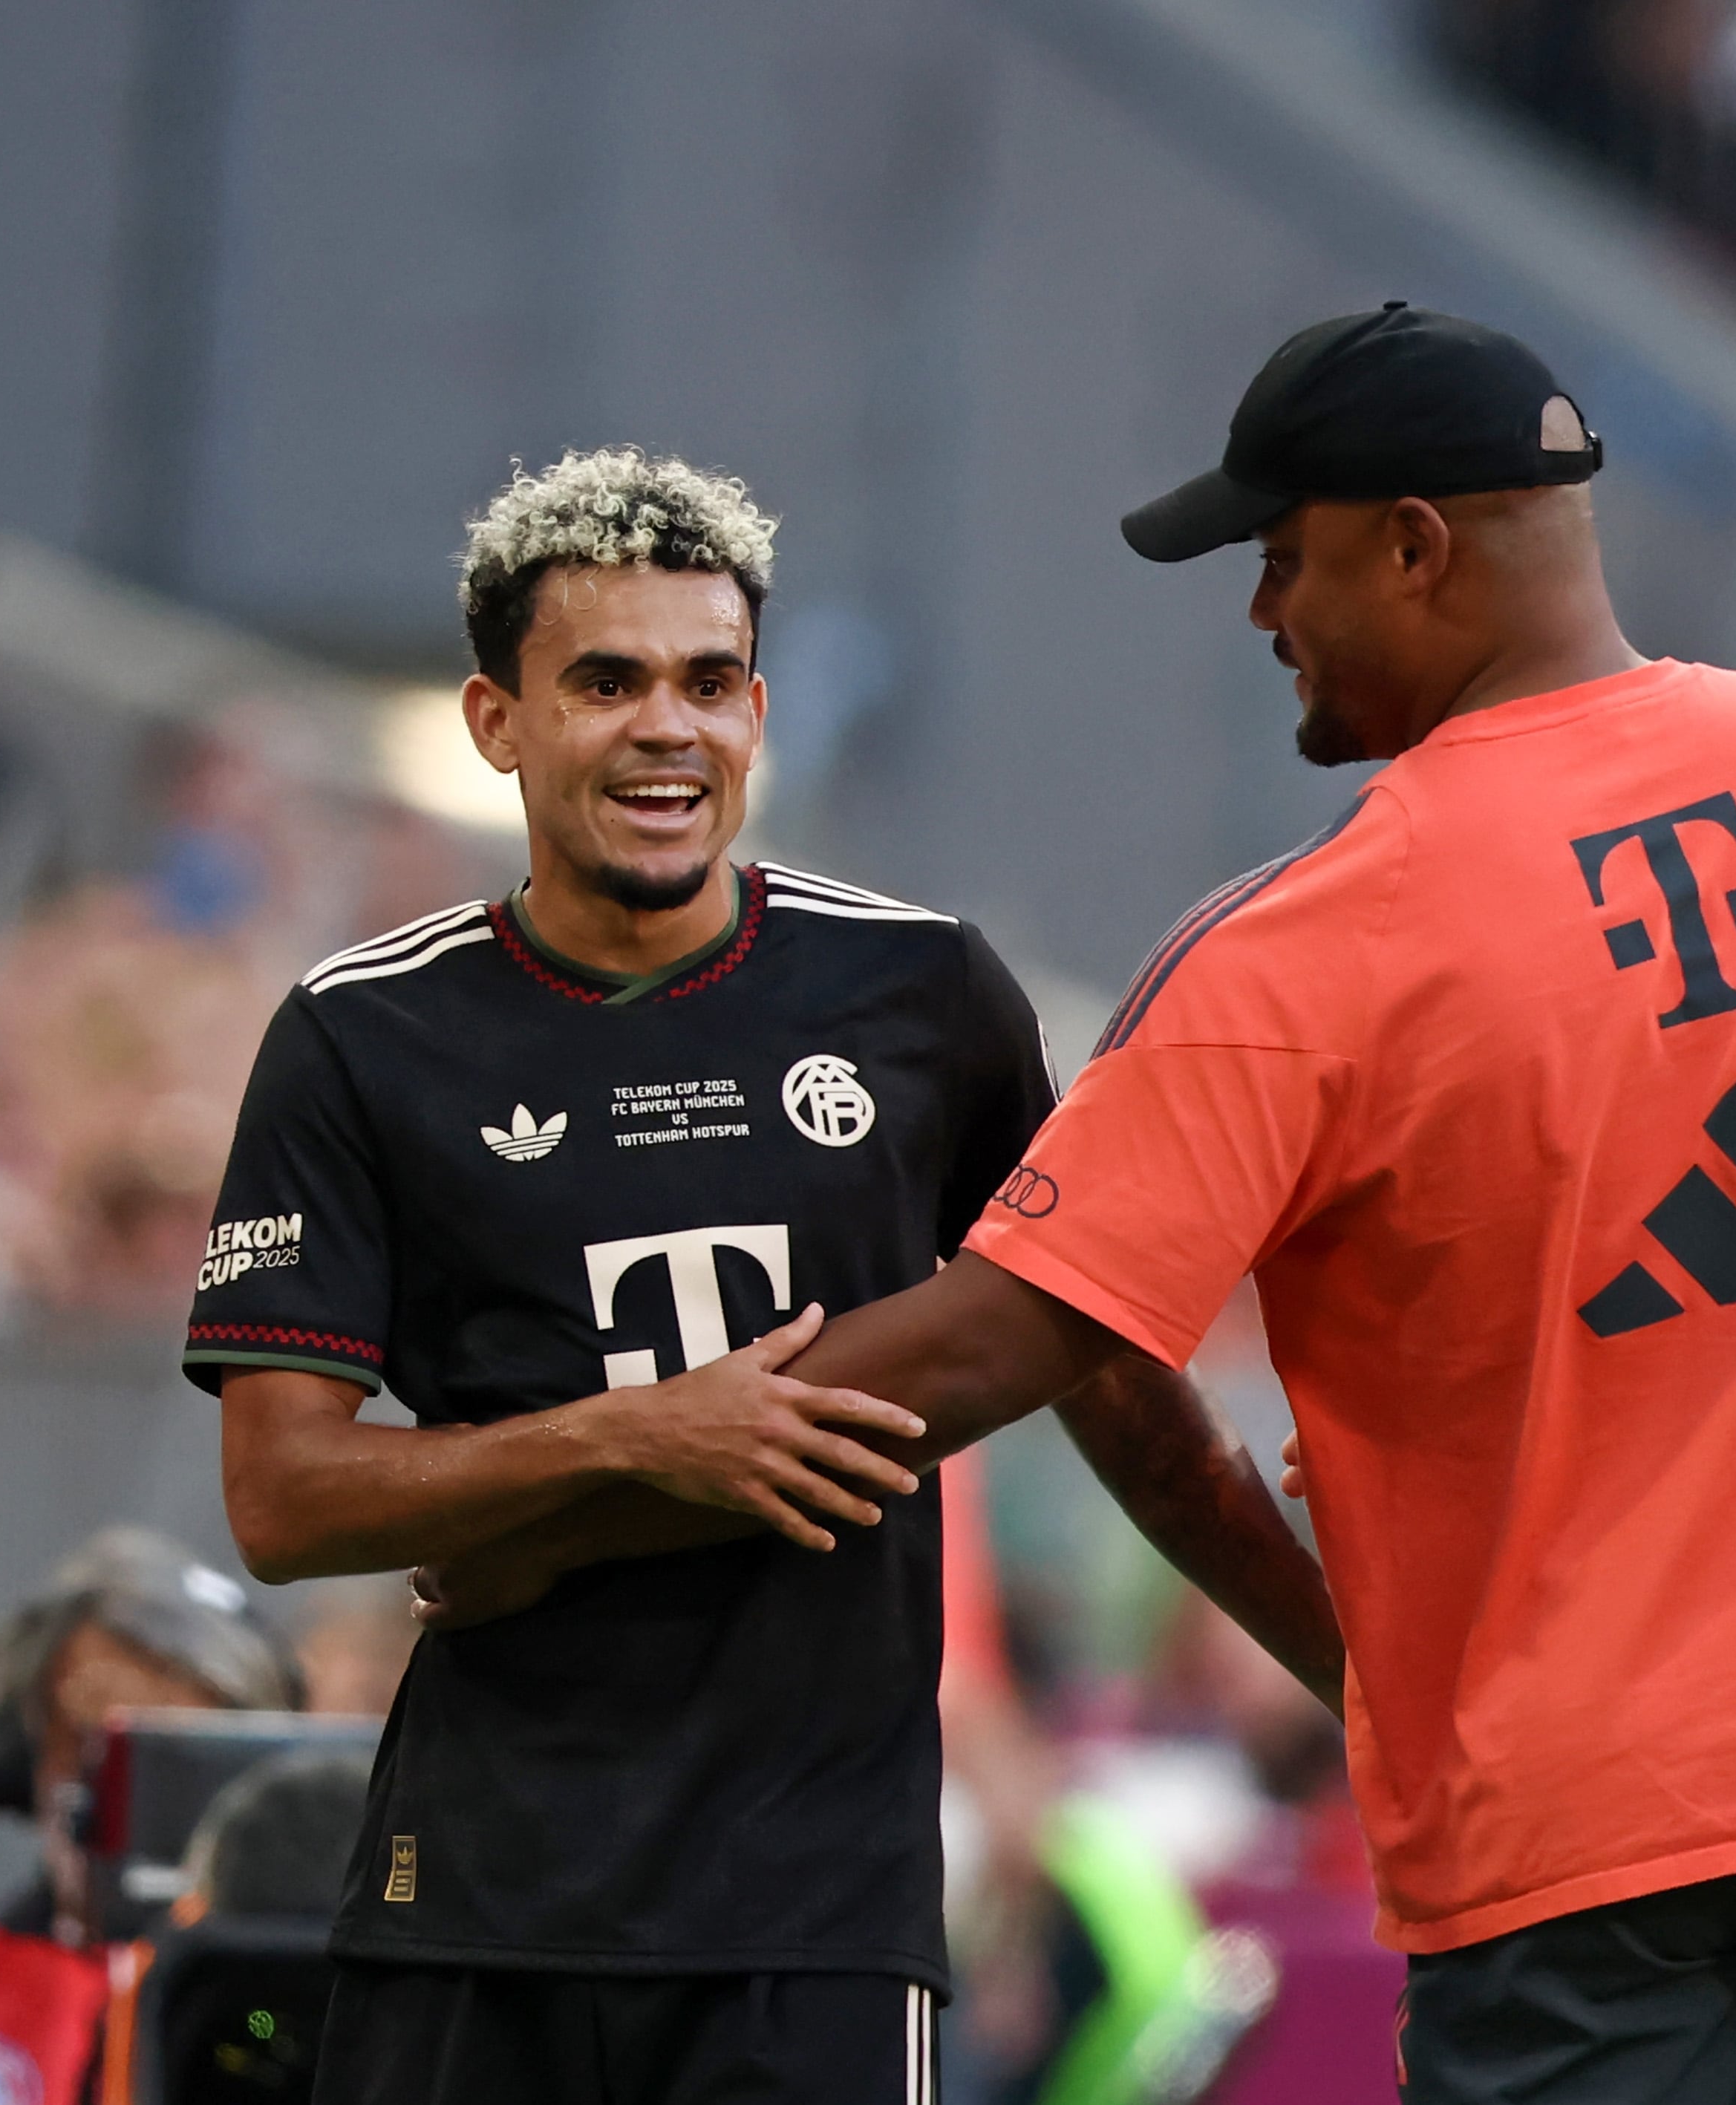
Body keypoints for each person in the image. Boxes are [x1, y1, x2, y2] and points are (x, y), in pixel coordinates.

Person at [423, 307, 1736, 2102]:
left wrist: (575, 1501)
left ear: (1413, 546)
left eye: (1281, 556)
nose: (1262, 612)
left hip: (1578, 1855)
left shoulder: (1311, 946)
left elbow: (1008, 1342)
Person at [189, 446, 1331, 2105]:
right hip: (483, 1890)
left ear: (758, 711)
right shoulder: (360, 1033)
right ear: (496, 720)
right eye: (606, 682)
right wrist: (629, 1433)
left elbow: (1111, 1377)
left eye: (709, 681)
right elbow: (283, 1499)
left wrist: (1346, 1674)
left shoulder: (926, 994)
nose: (668, 726)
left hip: (818, 1913)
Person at [0, 1526, 300, 2105]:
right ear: (23, 1747)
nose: (118, 1793)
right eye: (88, 1746)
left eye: (167, 1763)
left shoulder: (295, 2004)